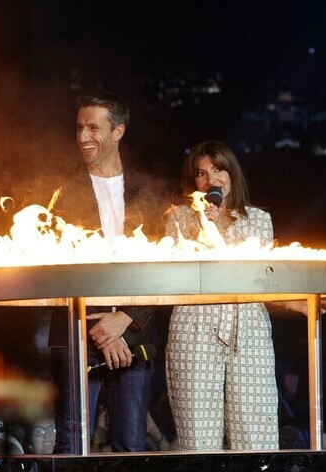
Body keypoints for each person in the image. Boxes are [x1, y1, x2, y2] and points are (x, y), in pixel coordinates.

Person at [49, 92, 168, 453]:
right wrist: (103, 332)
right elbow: (57, 268)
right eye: (79, 128)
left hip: (135, 336)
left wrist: (126, 319)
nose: (83, 136)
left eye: (93, 128)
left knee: (130, 447)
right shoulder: (61, 192)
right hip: (77, 333)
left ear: (118, 131)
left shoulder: (149, 190)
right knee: (72, 446)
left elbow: (162, 266)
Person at [164, 140, 279, 451]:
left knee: (256, 439)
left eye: (218, 170)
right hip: (195, 327)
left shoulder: (258, 220)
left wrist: (219, 231)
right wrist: (206, 225)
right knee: (198, 441)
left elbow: (256, 276)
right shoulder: (180, 218)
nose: (211, 180)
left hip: (249, 330)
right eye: (201, 173)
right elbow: (181, 275)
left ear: (231, 174)